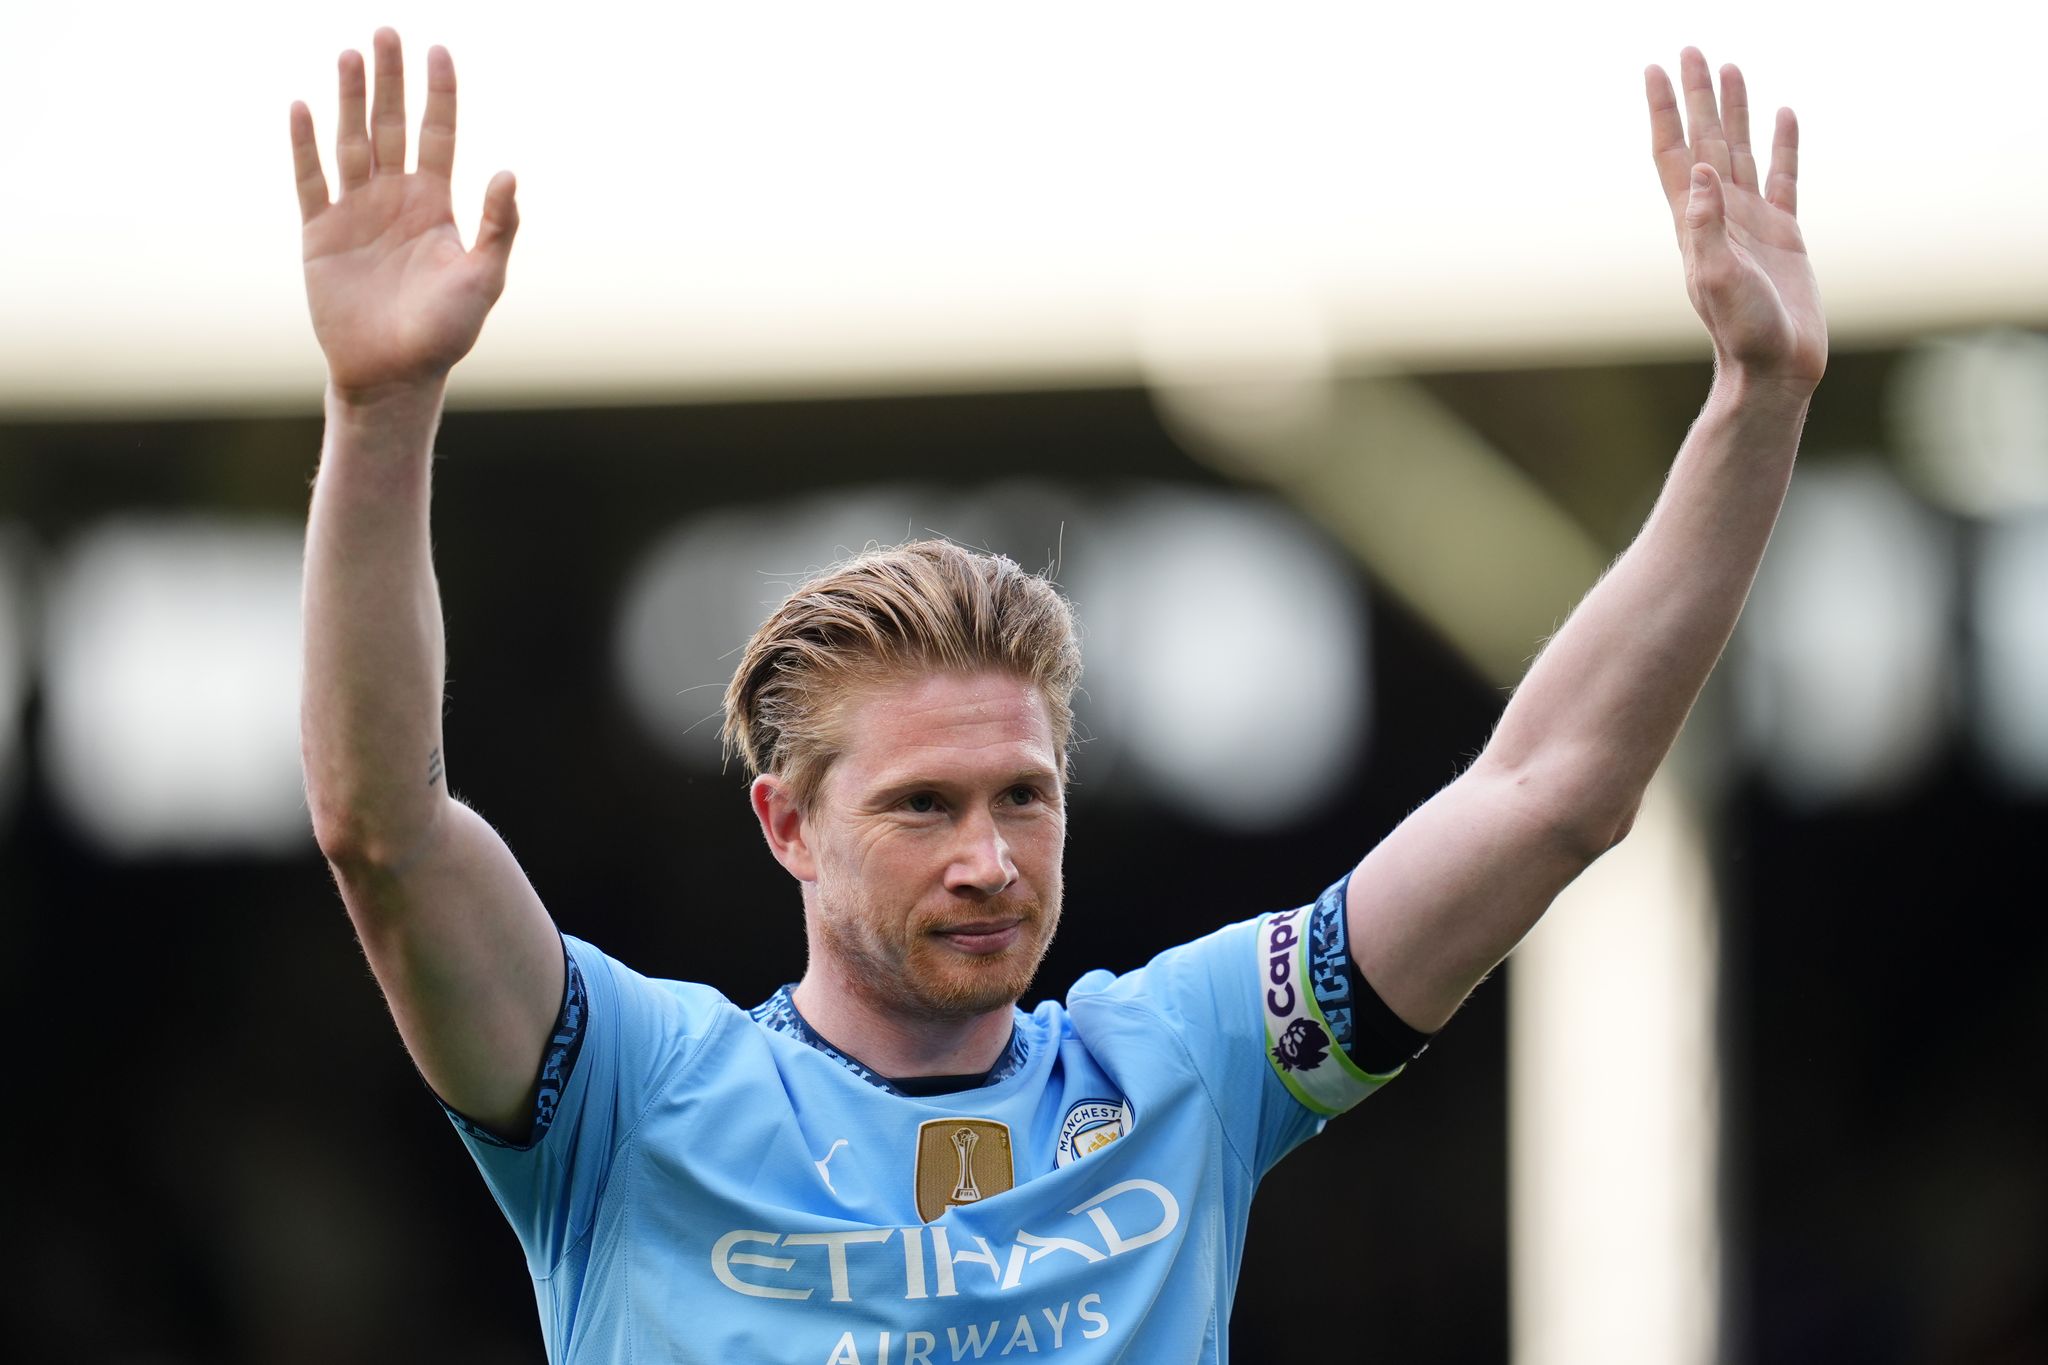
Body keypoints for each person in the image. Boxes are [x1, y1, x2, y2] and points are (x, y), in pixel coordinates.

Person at [291, 30, 1824, 1364]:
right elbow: (384, 831)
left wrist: (1755, 406)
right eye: (922, 805)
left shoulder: (1184, 1064)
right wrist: (379, 410)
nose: (990, 856)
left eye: (1023, 794)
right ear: (787, 824)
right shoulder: (629, 1093)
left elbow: (1549, 794)